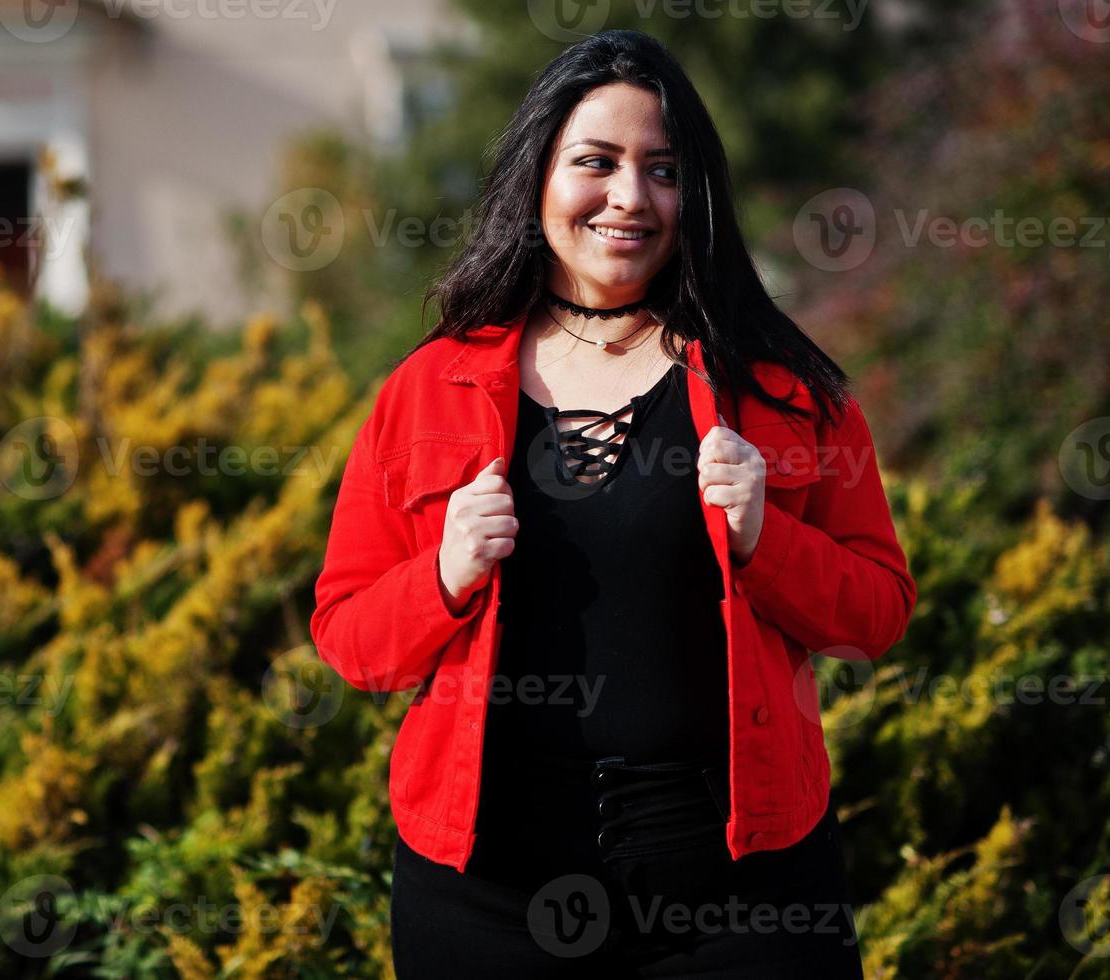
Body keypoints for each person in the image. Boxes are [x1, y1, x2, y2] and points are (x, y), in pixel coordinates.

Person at [309, 28, 916, 977]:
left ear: (696, 195)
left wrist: (768, 539)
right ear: (537, 178)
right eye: (595, 163)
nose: (629, 198)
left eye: (663, 170)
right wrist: (443, 574)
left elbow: (876, 615)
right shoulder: (427, 389)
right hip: (484, 907)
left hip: (741, 910)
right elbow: (350, 640)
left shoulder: (784, 393)